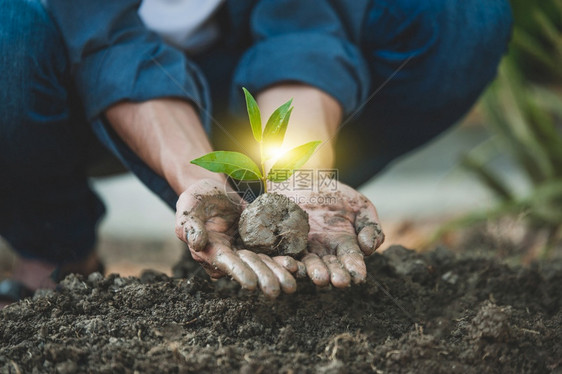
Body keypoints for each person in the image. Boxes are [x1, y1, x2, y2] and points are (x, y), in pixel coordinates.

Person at [0, 0, 513, 306]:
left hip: (242, 68)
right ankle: (56, 249)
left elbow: (304, 24)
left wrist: (304, 178)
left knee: (464, 18)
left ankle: (266, 216)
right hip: (66, 83)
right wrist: (195, 174)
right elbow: (104, 42)